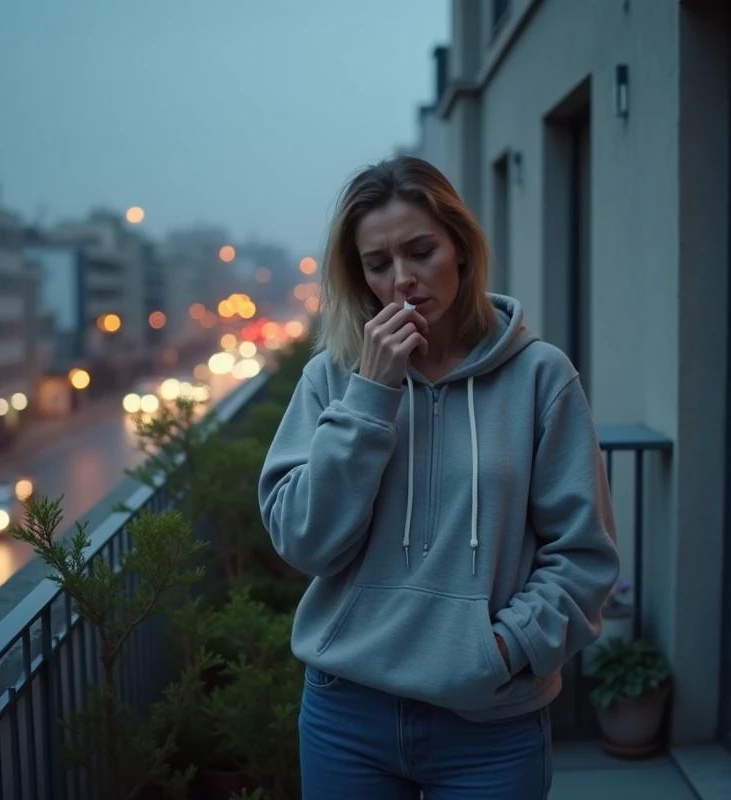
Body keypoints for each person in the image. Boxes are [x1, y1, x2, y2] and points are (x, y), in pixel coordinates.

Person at [259, 155, 619, 799]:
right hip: (349, 713)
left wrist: (503, 651)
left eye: (421, 251)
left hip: (489, 721)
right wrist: (371, 395)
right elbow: (303, 543)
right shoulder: (332, 378)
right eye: (377, 264)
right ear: (358, 275)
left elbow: (584, 554)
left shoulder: (540, 377)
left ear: (460, 248)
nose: (402, 280)